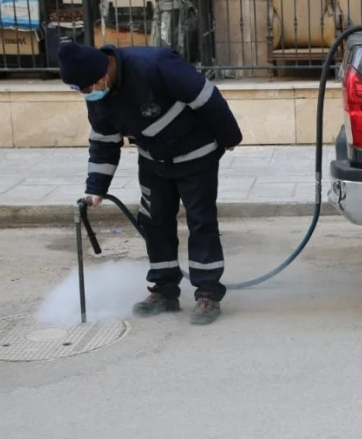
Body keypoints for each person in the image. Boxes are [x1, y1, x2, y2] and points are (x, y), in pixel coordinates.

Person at [57, 41, 243, 326]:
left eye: (87, 88)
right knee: (154, 222)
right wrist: (95, 189)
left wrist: (229, 138)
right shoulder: (99, 99)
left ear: (102, 75)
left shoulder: (155, 65)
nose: (88, 95)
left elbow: (207, 98)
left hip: (196, 154)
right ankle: (164, 290)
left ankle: (207, 292)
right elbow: (104, 142)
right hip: (154, 162)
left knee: (201, 220)